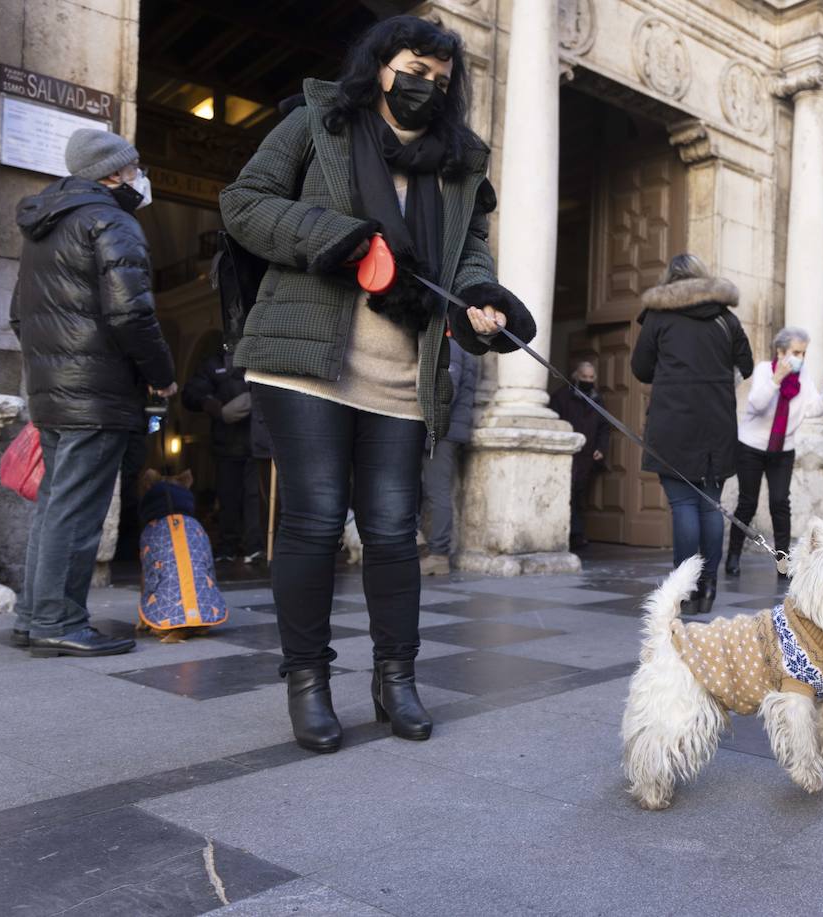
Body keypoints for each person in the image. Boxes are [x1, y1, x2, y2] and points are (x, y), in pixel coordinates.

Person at [220, 15, 535, 753]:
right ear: (381, 65)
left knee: (395, 532)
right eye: (414, 67)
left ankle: (396, 679)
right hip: (305, 359)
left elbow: (468, 254)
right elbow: (244, 204)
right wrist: (337, 236)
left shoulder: (460, 164)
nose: (427, 83)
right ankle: (308, 682)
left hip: (403, 367)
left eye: (441, 76)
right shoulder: (318, 122)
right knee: (316, 521)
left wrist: (481, 297)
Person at [9, 128, 176, 657]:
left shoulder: (45, 227)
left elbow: (19, 315)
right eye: (134, 168)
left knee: (57, 504)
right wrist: (161, 372)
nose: (139, 177)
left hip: (55, 391)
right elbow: (131, 311)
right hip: (97, 393)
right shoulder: (111, 220)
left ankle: (35, 618)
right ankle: (60, 621)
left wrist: (53, 367)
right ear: (113, 173)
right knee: (77, 510)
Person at [632, 253, 753, 615]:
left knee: (683, 504)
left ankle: (684, 588)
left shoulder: (658, 317)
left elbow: (640, 368)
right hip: (716, 421)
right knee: (710, 504)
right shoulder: (725, 319)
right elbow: (745, 364)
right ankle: (709, 586)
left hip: (673, 420)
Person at [724, 327, 823, 579]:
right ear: (781, 351)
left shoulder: (803, 377)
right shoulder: (764, 370)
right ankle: (733, 556)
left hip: (783, 449)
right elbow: (757, 405)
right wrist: (776, 380)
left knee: (780, 504)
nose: (801, 358)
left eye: (803, 353)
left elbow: (814, 408)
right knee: (747, 503)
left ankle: (782, 563)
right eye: (796, 352)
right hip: (751, 446)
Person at [183, 350, 263, 564]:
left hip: (257, 443)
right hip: (227, 443)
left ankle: (255, 546)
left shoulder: (260, 356)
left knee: (255, 498)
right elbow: (191, 393)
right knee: (228, 497)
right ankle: (228, 545)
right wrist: (214, 407)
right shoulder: (214, 363)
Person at [419, 337, 478, 575]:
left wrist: (427, 428)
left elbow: (445, 390)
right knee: (432, 492)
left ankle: (438, 555)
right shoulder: (463, 347)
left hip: (442, 430)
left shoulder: (452, 346)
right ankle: (428, 548)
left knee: (437, 492)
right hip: (446, 429)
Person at [551, 360, 611, 552]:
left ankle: (576, 534)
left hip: (587, 456)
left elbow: (604, 427)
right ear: (576, 376)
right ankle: (570, 535)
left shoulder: (597, 399)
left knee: (579, 495)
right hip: (566, 455)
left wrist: (601, 447)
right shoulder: (561, 397)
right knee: (564, 494)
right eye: (584, 377)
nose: (588, 380)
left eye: (591, 377)